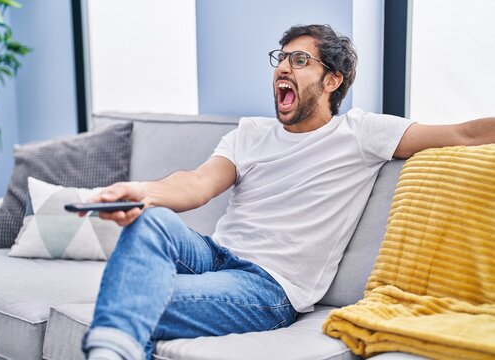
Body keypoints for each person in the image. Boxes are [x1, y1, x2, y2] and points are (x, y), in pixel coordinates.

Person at [82, 24, 495, 360]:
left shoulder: (360, 133)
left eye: (300, 60)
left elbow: (462, 134)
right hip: (213, 256)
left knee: (134, 293)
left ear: (332, 79)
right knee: (151, 219)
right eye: (281, 58)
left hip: (268, 287)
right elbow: (197, 183)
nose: (283, 67)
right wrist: (140, 192)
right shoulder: (250, 133)